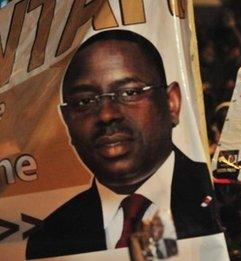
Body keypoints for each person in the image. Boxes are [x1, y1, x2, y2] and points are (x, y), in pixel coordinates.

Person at [26, 30, 221, 259]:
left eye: (129, 92)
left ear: (172, 103)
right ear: (67, 120)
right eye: (85, 101)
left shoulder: (221, 202)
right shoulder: (50, 238)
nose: (107, 115)